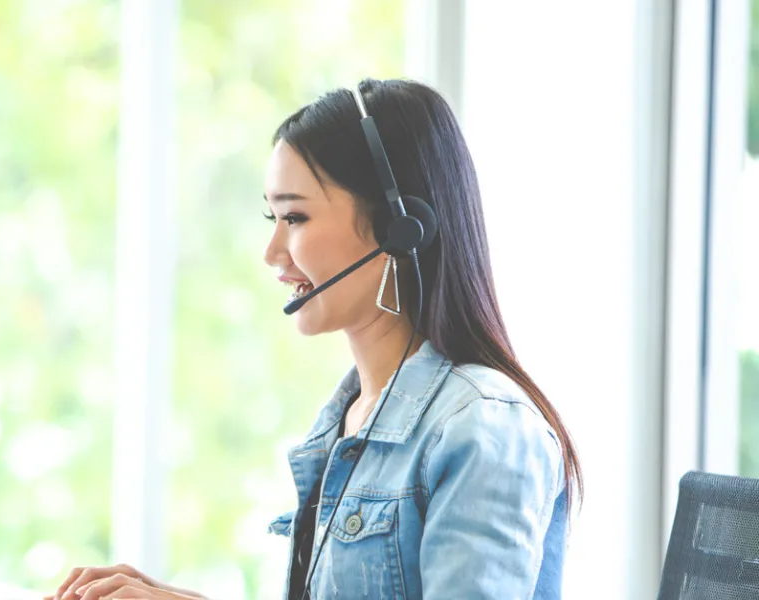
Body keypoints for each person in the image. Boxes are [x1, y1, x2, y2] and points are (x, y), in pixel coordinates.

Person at [47, 78, 582, 600]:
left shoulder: (484, 428)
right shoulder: (348, 417)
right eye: (272, 217)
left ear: (398, 226)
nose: (272, 252)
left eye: (294, 217)